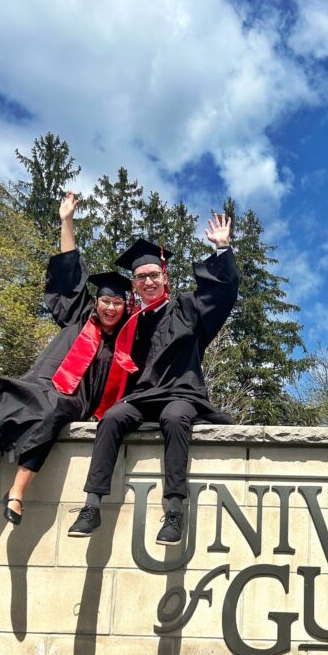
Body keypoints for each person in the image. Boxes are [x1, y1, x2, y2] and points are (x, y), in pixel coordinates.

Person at [0, 193, 133, 525]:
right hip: (40, 382)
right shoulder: (79, 317)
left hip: (71, 399)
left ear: (126, 308)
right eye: (105, 300)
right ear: (97, 303)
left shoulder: (123, 344)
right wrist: (67, 221)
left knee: (51, 411)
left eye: (118, 303)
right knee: (6, 413)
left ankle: (17, 492)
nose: (110, 307)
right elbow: (69, 274)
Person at [67, 211, 238, 544]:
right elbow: (88, 326)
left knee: (175, 419)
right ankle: (91, 506)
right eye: (141, 277)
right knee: (113, 417)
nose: (148, 281)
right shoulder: (130, 321)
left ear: (164, 276)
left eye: (153, 275)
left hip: (181, 394)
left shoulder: (188, 308)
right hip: (144, 397)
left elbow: (223, 294)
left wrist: (221, 249)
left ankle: (173, 511)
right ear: (133, 283)